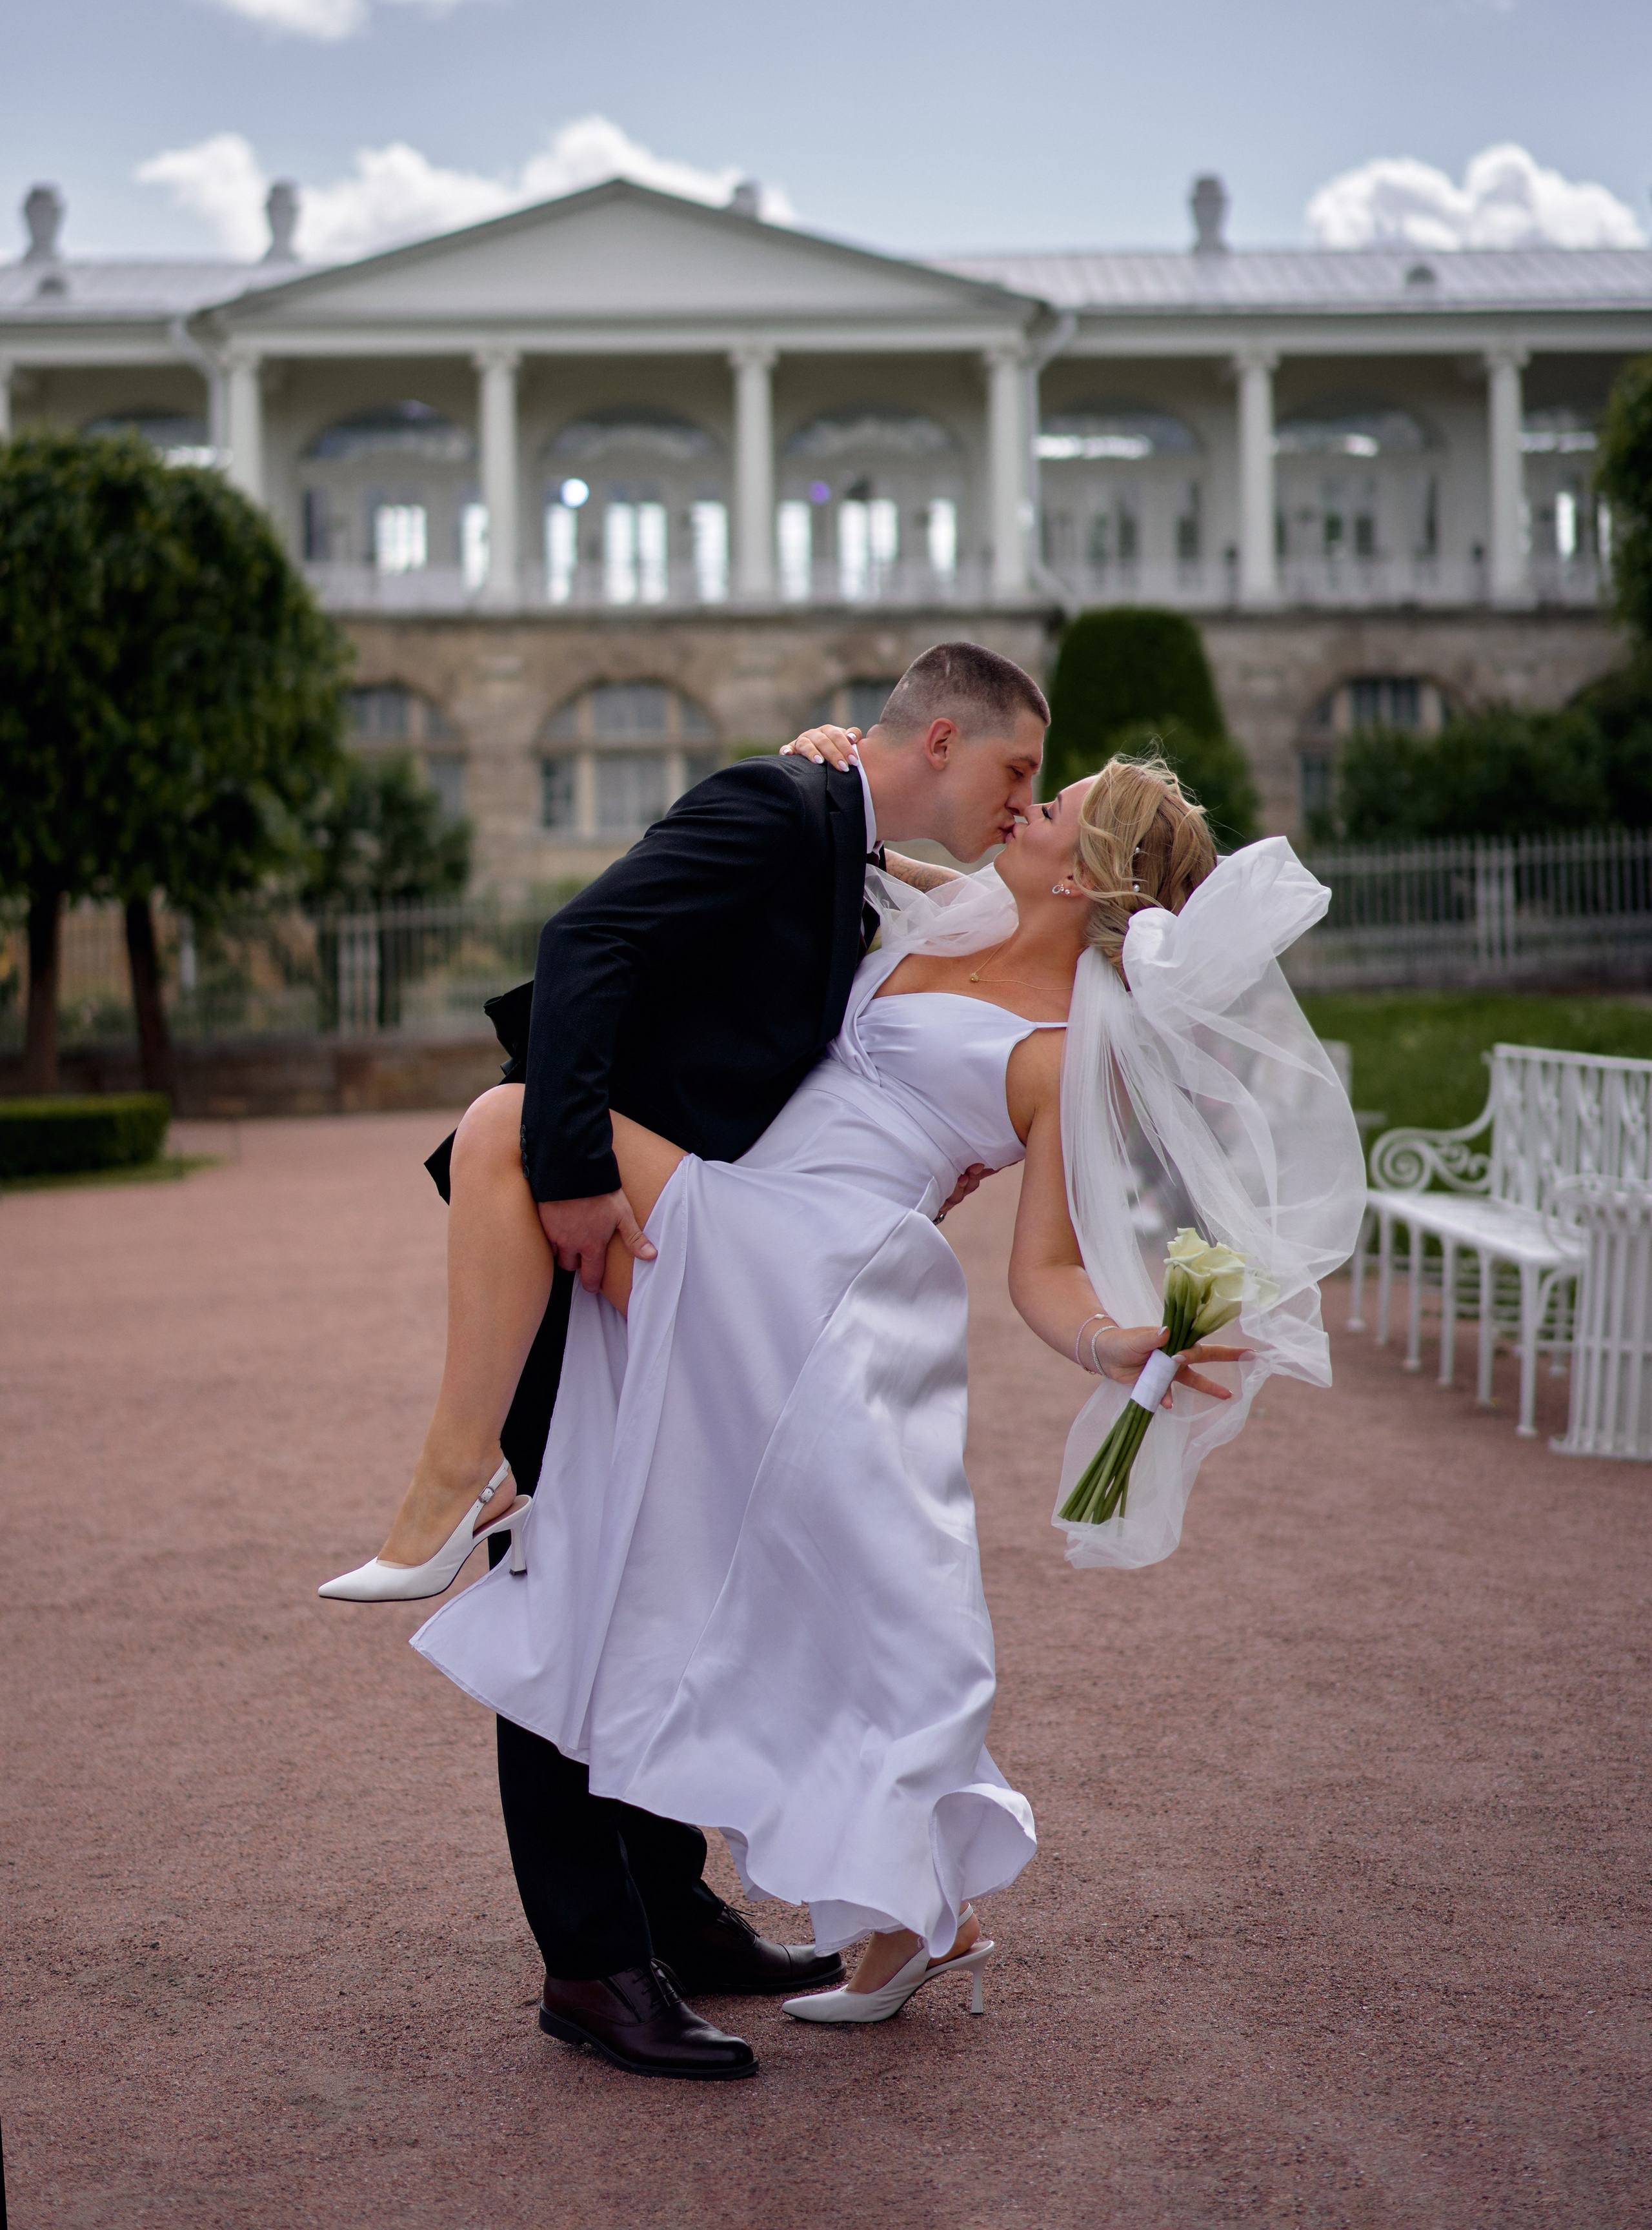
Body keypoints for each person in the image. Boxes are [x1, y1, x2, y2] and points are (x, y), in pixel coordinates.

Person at [409, 753, 1252, 2069]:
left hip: (823, 1276)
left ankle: (452, 1486)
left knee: (514, 1122)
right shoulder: (948, 908)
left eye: (1058, 804)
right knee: (720, 1572)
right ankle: (854, 1911)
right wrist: (827, 767)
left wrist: (1115, 1343)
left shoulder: (1056, 1054)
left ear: (1089, 874)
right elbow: (859, 851)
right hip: (750, 1234)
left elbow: (1041, 1271)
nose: (1027, 806)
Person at [321, 640, 1059, 2079]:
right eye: (1015, 770)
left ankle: (674, 1916)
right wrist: (576, 1167)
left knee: (653, 1564)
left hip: (697, 1260)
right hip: (586, 1232)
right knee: (570, 1568)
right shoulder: (777, 807)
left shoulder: (851, 846)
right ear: (944, 737)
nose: (1018, 799)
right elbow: (584, 948)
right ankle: (593, 1966)